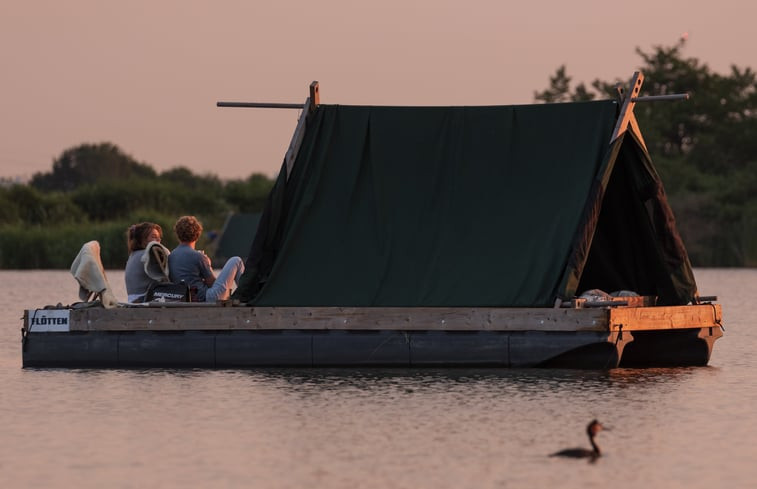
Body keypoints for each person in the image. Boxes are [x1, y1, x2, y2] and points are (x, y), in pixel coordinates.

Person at [168, 215, 244, 302]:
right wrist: (208, 264)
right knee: (236, 260)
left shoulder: (172, 255)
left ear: (178, 234)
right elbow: (212, 284)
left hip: (187, 299)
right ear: (197, 235)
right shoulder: (198, 256)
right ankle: (248, 294)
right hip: (207, 298)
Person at [124, 222, 164, 303]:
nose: (158, 240)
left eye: (159, 237)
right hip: (142, 299)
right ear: (142, 239)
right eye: (154, 237)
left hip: (132, 299)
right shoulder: (148, 254)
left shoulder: (133, 254)